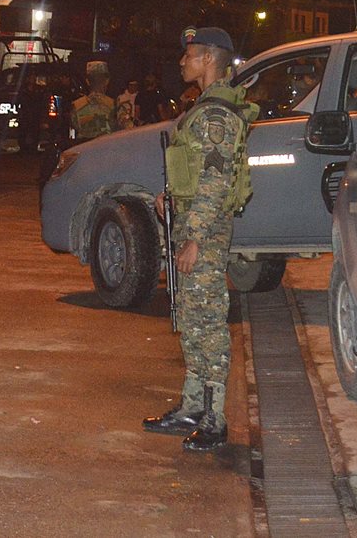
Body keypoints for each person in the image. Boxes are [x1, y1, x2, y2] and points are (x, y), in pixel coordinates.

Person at [143, 26, 258, 453]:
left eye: (189, 54)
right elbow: (196, 174)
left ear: (209, 59)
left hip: (204, 232)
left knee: (208, 324)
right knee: (191, 321)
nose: (182, 61)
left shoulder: (215, 115)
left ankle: (215, 418)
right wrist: (171, 196)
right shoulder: (204, 108)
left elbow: (214, 180)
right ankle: (192, 406)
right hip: (194, 224)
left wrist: (194, 237)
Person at [70, 61, 116, 141]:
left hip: (84, 150)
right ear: (107, 81)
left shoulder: (76, 106)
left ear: (87, 81)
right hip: (108, 149)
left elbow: (74, 128)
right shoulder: (114, 105)